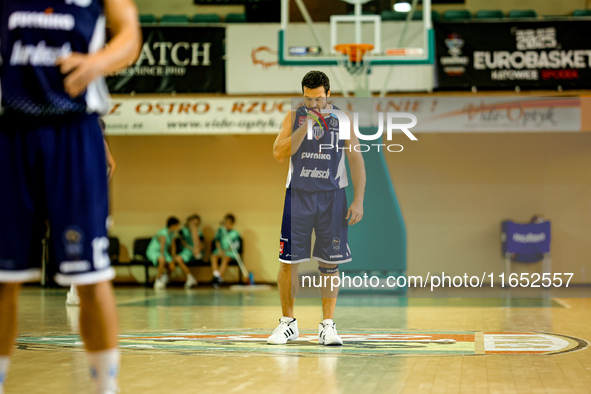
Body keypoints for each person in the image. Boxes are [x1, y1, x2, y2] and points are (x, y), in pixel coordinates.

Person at [0, 0, 141, 393]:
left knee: (92, 278)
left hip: (75, 130)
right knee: (2, 278)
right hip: (11, 128)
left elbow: (129, 34)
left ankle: (103, 388)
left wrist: (99, 62)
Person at [267, 71, 366, 346]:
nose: (314, 104)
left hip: (332, 197)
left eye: (319, 99)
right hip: (298, 195)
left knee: (329, 263)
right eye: (308, 99)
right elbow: (278, 153)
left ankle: (328, 325)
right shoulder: (294, 117)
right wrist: (304, 127)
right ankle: (288, 323)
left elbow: (356, 159)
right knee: (288, 262)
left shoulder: (343, 119)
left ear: (329, 95)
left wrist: (358, 200)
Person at [66, 118, 117, 306]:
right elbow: (113, 165)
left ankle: (78, 289)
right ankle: (76, 289)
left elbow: (112, 165)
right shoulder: (90, 143)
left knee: (85, 245)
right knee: (83, 245)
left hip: (89, 202)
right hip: (87, 201)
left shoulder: (92, 143)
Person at [147, 217, 197, 289]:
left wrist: (173, 256)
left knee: (172, 267)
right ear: (172, 225)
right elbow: (162, 247)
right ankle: (157, 280)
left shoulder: (172, 233)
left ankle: (164, 277)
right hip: (155, 251)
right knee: (162, 260)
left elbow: (173, 246)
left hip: (164, 251)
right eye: (177, 225)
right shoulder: (162, 233)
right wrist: (162, 256)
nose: (177, 227)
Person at [210, 214, 241, 287]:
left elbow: (235, 245)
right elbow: (216, 240)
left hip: (229, 251)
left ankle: (217, 278)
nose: (226, 223)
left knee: (225, 258)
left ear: (232, 223)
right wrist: (220, 250)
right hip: (220, 250)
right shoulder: (221, 231)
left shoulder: (235, 233)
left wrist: (225, 250)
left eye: (228, 222)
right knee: (213, 257)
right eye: (225, 222)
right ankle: (217, 276)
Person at [174, 214, 204, 287]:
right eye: (193, 223)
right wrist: (192, 249)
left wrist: (194, 232)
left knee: (197, 255)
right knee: (178, 259)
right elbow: (183, 244)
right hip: (187, 251)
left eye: (196, 224)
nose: (194, 225)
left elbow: (201, 245)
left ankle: (190, 278)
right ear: (188, 222)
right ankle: (190, 276)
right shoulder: (182, 231)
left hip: (197, 252)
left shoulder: (199, 232)